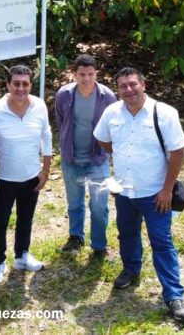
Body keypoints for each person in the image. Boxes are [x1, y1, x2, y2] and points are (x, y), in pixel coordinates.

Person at [93, 67, 184, 322]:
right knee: (126, 233)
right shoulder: (112, 112)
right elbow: (102, 139)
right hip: (125, 191)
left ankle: (173, 294)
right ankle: (131, 270)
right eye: (123, 86)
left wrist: (167, 189)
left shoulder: (164, 113)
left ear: (143, 85)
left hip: (155, 194)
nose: (128, 90)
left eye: (132, 84)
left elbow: (178, 152)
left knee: (161, 241)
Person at [0, 64, 53, 283]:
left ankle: (22, 255)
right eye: (16, 83)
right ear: (7, 85)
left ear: (31, 85)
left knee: (26, 218)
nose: (20, 88)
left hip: (31, 176)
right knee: (0, 222)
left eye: (25, 84)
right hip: (3, 179)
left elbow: (47, 135)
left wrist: (45, 170)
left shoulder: (40, 106)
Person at [54, 54, 117, 258]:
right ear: (75, 74)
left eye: (90, 74)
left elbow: (112, 127)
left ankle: (99, 245)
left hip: (97, 159)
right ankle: (75, 237)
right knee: (75, 202)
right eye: (82, 74)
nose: (86, 79)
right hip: (71, 159)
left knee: (99, 205)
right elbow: (61, 120)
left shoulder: (107, 97)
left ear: (96, 73)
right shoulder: (64, 94)